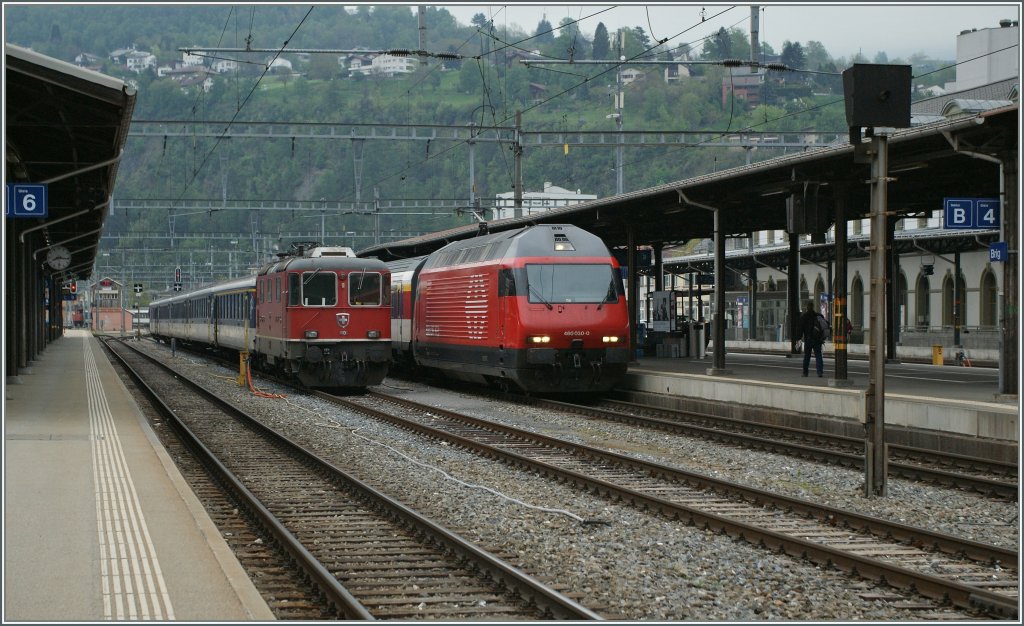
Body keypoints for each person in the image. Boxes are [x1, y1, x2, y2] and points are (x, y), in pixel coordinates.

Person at [799, 301, 826, 378]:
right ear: (813, 307)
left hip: (808, 339)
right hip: (817, 340)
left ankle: (805, 373)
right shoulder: (818, 316)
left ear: (807, 307)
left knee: (807, 356)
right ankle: (819, 372)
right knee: (818, 356)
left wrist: (799, 338)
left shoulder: (804, 317)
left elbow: (800, 329)